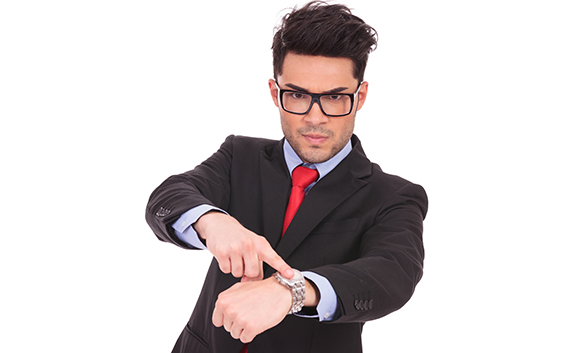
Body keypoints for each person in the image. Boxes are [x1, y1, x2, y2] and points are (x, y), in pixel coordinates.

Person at [145, 1, 428, 352]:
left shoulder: (393, 196)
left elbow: (392, 275)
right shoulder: (239, 157)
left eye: (335, 98)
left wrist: (290, 291)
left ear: (360, 97)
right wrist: (212, 222)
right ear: (274, 93)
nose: (315, 117)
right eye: (297, 95)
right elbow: (170, 196)